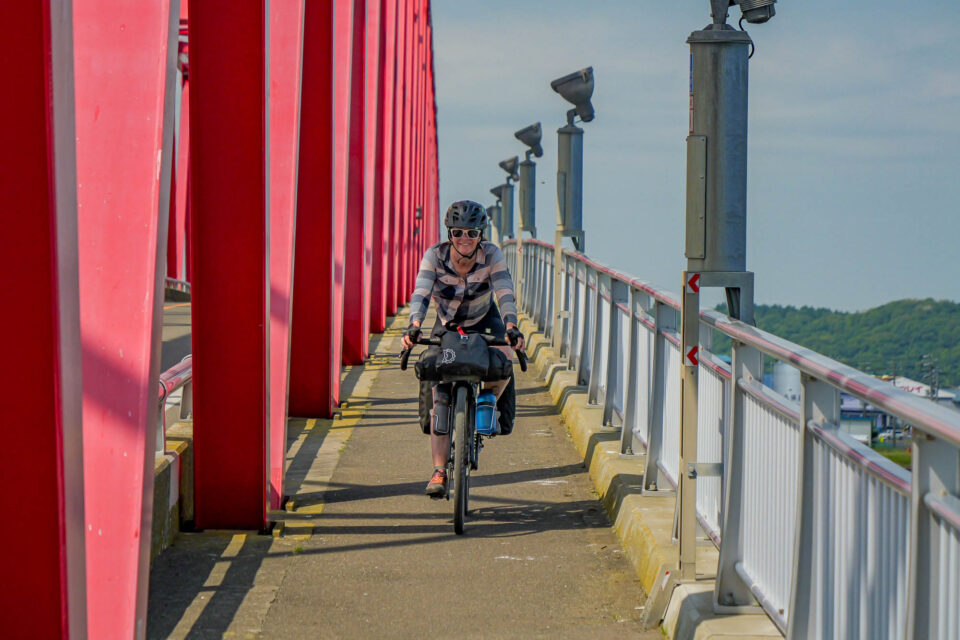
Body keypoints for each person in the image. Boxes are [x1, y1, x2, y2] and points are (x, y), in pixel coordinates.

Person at [401, 200, 525, 498]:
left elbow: (504, 289)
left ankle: (488, 400)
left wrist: (511, 325)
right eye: (458, 233)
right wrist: (414, 324)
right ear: (449, 234)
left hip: (485, 318)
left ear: (481, 234)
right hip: (447, 321)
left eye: (472, 232)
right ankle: (439, 470)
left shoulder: (491, 254)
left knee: (504, 357)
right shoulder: (435, 255)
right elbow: (421, 291)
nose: (465, 239)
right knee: (438, 391)